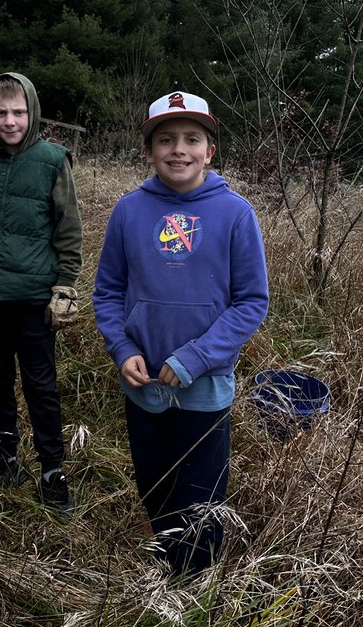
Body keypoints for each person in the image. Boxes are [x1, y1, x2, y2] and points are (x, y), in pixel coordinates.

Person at [92, 90, 269, 576]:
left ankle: (198, 586)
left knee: (201, 494)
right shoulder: (129, 211)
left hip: (204, 387)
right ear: (149, 150)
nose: (179, 149)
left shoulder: (235, 214)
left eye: (192, 139)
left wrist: (195, 357)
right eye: (166, 139)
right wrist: (122, 347)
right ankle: (168, 565)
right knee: (154, 482)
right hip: (142, 383)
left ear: (210, 151)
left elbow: (252, 301)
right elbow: (108, 291)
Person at [0, 72, 82, 513]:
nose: (10, 121)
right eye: (1, 112)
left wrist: (65, 285)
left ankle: (52, 471)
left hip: (31, 298)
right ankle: (4, 457)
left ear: (33, 112)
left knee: (41, 386)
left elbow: (69, 230)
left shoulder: (51, 161)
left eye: (19, 112)